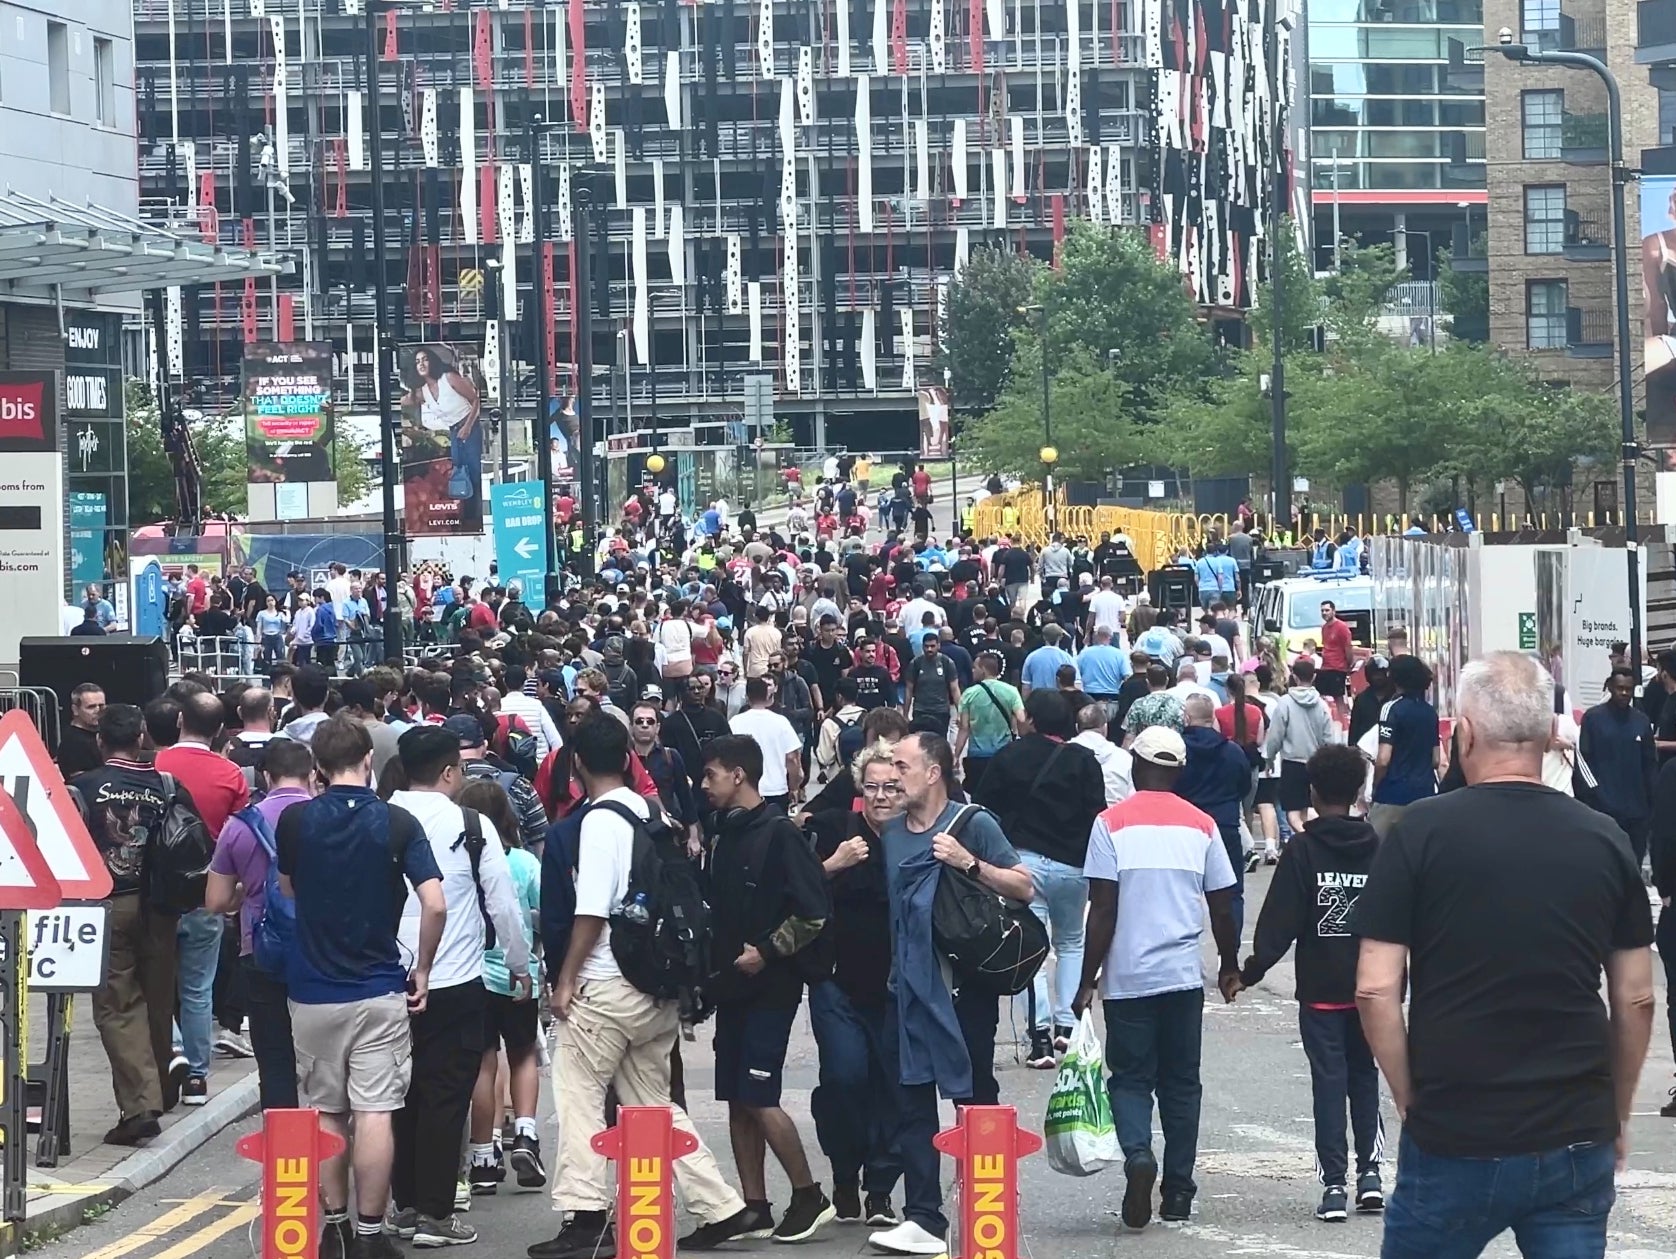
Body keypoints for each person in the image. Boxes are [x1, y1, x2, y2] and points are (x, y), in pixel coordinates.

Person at [1352, 652, 1655, 1259]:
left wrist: (1411, 1095)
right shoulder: (1604, 839)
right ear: (1549, 735)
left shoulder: (1419, 832)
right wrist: (1614, 1111)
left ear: (1464, 732)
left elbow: (1376, 989)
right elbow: (1637, 996)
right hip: (1575, 1127)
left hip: (1455, 1125)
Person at [532, 715, 755, 1259]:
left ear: (578, 763)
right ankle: (720, 1205)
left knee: (579, 1096)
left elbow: (591, 910)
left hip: (607, 985)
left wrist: (564, 983)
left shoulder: (599, 822)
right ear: (629, 757)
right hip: (656, 985)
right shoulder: (651, 813)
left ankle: (585, 1213)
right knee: (653, 1105)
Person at [277, 717, 446, 1259]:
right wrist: (422, 969)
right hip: (378, 986)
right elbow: (436, 902)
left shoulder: (296, 822)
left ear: (318, 768)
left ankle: (336, 1228)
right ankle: (372, 1234)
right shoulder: (396, 822)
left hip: (312, 988)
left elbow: (287, 888)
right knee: (375, 1110)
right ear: (369, 760)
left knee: (328, 1110)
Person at [870, 733, 1031, 1257]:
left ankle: (989, 1206)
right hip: (908, 992)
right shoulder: (892, 834)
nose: (893, 774)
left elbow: (1025, 886)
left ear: (933, 772)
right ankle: (923, 1217)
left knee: (974, 1096)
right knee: (910, 1101)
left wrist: (967, 863)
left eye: (902, 764)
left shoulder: (973, 823)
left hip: (963, 992)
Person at [1076, 726, 1241, 1231]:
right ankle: (1179, 1193)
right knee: (1182, 1084)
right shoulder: (1203, 825)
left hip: (1128, 979)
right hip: (1182, 977)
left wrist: (1087, 979)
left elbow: (1103, 910)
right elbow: (1223, 905)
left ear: (1134, 764)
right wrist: (1230, 966)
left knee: (1130, 1079)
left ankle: (1138, 1155)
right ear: (1179, 771)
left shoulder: (1110, 823)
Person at [1239, 744, 1384, 1222]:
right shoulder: (1379, 846)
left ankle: (1335, 1187)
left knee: (1328, 1081)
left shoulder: (1303, 849)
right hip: (1371, 989)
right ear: (1360, 791)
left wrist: (1250, 969)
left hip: (1321, 989)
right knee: (1365, 1076)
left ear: (1314, 793)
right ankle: (1371, 1176)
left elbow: (1281, 920)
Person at [701, 736, 837, 1241]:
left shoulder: (780, 833)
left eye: (711, 774)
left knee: (759, 1094)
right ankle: (753, 1204)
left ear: (739, 774)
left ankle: (808, 1193)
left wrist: (768, 951)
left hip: (772, 987)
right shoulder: (722, 834)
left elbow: (814, 911)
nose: (704, 784)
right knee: (736, 1096)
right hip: (730, 987)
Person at [973, 690, 1106, 1067]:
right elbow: (1097, 815)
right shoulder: (1084, 760)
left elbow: (984, 809)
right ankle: (1069, 1024)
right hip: (1073, 866)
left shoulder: (1008, 756)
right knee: (1071, 942)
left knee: (1029, 948)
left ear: (1030, 719)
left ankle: (1041, 1037)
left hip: (1022, 864)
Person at [68, 704, 181, 1145]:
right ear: (140, 739)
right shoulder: (166, 785)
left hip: (107, 906)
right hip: (159, 908)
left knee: (117, 1006)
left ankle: (140, 1106)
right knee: (157, 1001)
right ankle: (158, 1090)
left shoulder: (83, 789)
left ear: (100, 741)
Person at [805, 741, 904, 1228]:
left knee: (890, 1088)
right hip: (836, 984)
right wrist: (834, 864)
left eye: (892, 787)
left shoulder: (917, 838)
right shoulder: (833, 830)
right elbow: (796, 891)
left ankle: (881, 1191)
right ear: (859, 789)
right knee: (844, 1080)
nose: (882, 796)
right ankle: (844, 1174)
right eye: (873, 787)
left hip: (894, 990)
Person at [205, 736, 316, 1111]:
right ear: (312, 774)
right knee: (326, 1061)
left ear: (266, 776)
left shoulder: (240, 827)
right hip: (322, 951)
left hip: (262, 947)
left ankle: (285, 1150)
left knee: (275, 1061)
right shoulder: (326, 817)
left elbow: (215, 901)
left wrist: (246, 893)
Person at [156, 689, 251, 1107]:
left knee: (154, 984)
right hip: (206, 892)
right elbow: (240, 838)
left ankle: (172, 1048)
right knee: (199, 987)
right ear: (218, 730)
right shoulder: (231, 775)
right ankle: (197, 1076)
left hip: (157, 895)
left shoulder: (155, 765)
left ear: (179, 722)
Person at [1176, 694, 1254, 936]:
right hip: (1225, 823)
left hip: (1185, 826)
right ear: (1213, 717)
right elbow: (1245, 786)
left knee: (1182, 892)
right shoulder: (1232, 751)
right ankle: (1228, 953)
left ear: (1186, 717)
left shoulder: (1178, 750)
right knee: (1231, 891)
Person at [1576, 666, 1658, 864]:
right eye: (1620, 688)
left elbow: (1649, 764)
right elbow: (1583, 761)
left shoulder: (1641, 721)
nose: (1624, 693)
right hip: (1604, 809)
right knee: (1606, 864)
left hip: (1637, 811)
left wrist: (1651, 803)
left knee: (1634, 865)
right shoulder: (1594, 718)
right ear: (1611, 688)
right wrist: (1593, 798)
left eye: (1628, 689)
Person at [1368, 653, 1442, 838]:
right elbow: (1436, 760)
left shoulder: (1390, 709)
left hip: (1392, 795)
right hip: (1424, 795)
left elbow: (1383, 759)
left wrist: (1375, 787)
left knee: (1378, 852)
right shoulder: (1429, 712)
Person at [1264, 657, 1333, 836]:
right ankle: (1314, 837)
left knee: (1293, 813)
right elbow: (1329, 738)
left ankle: (1308, 838)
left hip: (1292, 763)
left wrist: (1269, 758)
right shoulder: (1322, 705)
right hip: (1317, 763)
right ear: (1314, 677)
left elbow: (1275, 735)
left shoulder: (1285, 703)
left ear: (1294, 677)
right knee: (1309, 808)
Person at [729, 677, 804, 811]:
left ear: (747, 697)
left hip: (744, 789)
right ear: (767, 695)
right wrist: (794, 788)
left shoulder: (735, 722)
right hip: (776, 789)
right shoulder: (781, 722)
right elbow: (792, 759)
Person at [952, 651, 1021, 794]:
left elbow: (964, 728)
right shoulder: (1011, 691)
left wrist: (956, 755)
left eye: (975, 668)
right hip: (1004, 753)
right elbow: (1022, 719)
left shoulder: (969, 694)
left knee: (978, 794)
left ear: (983, 670)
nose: (972, 670)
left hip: (978, 755)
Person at [1070, 700, 1134, 805]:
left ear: (1077, 728)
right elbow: (1132, 795)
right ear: (1105, 727)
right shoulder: (1124, 758)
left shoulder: (1062, 754)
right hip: (1115, 816)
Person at [904, 631, 960, 735]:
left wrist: (960, 712)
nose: (929, 649)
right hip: (921, 710)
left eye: (932, 646)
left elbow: (954, 689)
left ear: (938, 645)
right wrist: (905, 714)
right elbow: (909, 689)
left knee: (939, 742)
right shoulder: (915, 663)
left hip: (941, 711)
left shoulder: (947, 662)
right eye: (926, 646)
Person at [57, 683, 106, 778]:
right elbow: (80, 779)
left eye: (101, 706)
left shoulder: (104, 733)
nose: (98, 710)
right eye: (91, 707)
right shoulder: (72, 742)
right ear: (75, 710)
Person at [1020, 624, 1075, 696]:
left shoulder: (1031, 657)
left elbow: (1026, 686)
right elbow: (1076, 685)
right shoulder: (1067, 658)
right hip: (1060, 702)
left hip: (1038, 701)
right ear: (1060, 637)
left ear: (1044, 637)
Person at [1315, 600, 1355, 700]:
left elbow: (1348, 648)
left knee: (1338, 698)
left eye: (1327, 610)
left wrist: (1349, 665)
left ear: (1333, 611)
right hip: (1325, 668)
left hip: (1337, 669)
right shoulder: (1324, 628)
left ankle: (1341, 715)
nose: (1324, 613)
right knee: (1321, 697)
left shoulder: (1342, 627)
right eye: (1322, 611)